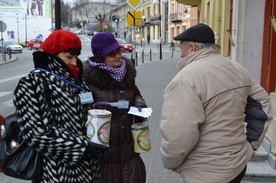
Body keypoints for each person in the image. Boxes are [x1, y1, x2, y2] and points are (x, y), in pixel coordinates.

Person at [159, 23, 272, 183]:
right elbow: (262, 106)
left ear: (192, 47)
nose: (181, 54)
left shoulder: (185, 79)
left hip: (205, 172)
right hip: (237, 165)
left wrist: (169, 161)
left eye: (181, 49)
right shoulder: (237, 68)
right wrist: (251, 144)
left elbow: (178, 135)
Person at [13, 30, 108, 183]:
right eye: (69, 57)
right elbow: (36, 134)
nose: (74, 62)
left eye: (76, 57)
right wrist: (82, 146)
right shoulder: (33, 83)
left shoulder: (78, 81)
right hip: (57, 173)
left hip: (89, 170)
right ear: (53, 56)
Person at [83, 32, 148, 183]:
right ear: (101, 57)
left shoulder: (127, 74)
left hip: (129, 152)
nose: (117, 56)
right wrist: (96, 108)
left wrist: (139, 103)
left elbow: (136, 94)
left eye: (118, 51)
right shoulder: (89, 81)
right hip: (105, 157)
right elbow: (81, 112)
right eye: (111, 54)